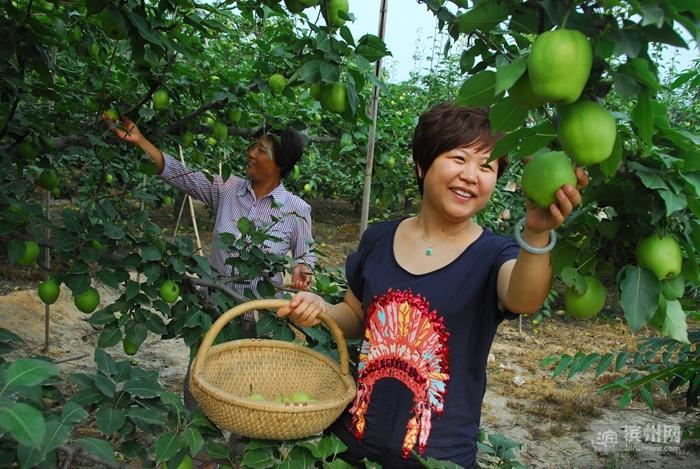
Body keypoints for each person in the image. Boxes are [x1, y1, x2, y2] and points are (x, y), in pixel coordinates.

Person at [276, 103, 588, 468]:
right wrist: (321, 310)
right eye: (459, 158)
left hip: (438, 457)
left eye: (487, 166)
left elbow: (524, 298)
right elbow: (356, 315)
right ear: (423, 166)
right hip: (347, 448)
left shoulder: (494, 255)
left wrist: (537, 232)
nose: (472, 175)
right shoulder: (378, 239)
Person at [105, 116, 316, 296]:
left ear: (281, 163)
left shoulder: (297, 210)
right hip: (215, 305)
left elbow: (306, 255)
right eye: (253, 146)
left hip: (261, 315)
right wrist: (140, 140)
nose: (251, 153)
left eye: (261, 150)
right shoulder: (228, 188)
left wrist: (303, 268)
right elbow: (178, 174)